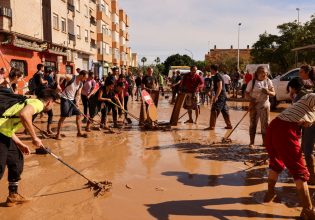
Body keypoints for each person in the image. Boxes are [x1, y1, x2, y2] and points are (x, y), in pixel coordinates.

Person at [0, 89, 59, 206]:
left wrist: (20, 144)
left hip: (4, 133)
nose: (53, 106)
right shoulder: (37, 104)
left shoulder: (30, 101)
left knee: (16, 160)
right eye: (54, 103)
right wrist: (34, 138)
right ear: (49, 102)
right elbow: (24, 114)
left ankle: (13, 196)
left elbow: (6, 125)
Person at [264, 93, 315, 219]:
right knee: (299, 171)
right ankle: (308, 210)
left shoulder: (305, 104)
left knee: (276, 163)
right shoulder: (312, 97)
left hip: (274, 126)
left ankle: (269, 194)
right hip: (285, 130)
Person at [245, 66, 275, 147]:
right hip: (254, 105)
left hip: (265, 105)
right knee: (253, 124)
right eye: (262, 72)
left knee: (265, 125)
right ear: (257, 73)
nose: (264, 74)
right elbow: (246, 94)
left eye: (265, 73)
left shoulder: (268, 81)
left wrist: (268, 92)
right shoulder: (252, 82)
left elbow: (273, 93)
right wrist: (251, 99)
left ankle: (264, 143)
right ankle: (252, 143)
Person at [55, 70, 88, 140]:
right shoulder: (71, 77)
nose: (85, 80)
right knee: (63, 117)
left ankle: (79, 132)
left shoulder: (81, 84)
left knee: (79, 115)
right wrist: (57, 84)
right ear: (82, 75)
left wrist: (77, 102)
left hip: (72, 100)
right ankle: (57, 134)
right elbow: (58, 75)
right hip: (65, 98)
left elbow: (78, 94)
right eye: (85, 78)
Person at [298, 65, 315, 185]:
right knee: (306, 147)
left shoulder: (308, 87)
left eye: (301, 72)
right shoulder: (308, 85)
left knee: (308, 150)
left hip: (311, 119)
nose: (299, 74)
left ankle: (312, 178)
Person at [205, 64, 232, 130]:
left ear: (213, 69)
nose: (210, 71)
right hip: (223, 96)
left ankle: (212, 126)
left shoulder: (218, 76)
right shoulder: (216, 76)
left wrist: (216, 97)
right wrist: (210, 91)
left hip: (220, 96)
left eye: (210, 69)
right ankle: (229, 125)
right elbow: (216, 87)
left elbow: (220, 87)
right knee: (224, 111)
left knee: (214, 110)